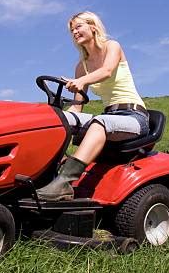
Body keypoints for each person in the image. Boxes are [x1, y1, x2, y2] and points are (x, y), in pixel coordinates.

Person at [36, 11, 149, 201]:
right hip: (109, 116)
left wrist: (82, 81)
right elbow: (77, 107)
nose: (74, 32)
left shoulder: (112, 46)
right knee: (61, 119)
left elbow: (106, 71)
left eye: (78, 26)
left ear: (93, 26)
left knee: (100, 122)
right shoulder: (82, 66)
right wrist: (60, 115)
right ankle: (42, 174)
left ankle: (64, 182)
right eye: (72, 30)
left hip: (133, 116)